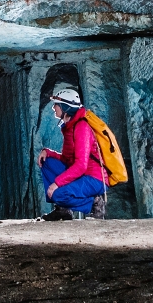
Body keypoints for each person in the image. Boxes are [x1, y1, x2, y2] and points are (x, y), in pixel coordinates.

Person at [36, 88, 108, 221]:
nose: (54, 108)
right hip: (82, 174)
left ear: (65, 107)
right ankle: (64, 210)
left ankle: (95, 203)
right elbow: (66, 160)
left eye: (56, 104)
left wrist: (57, 183)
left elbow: (81, 165)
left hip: (94, 178)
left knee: (57, 194)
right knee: (47, 162)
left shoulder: (81, 127)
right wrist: (49, 153)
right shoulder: (69, 126)